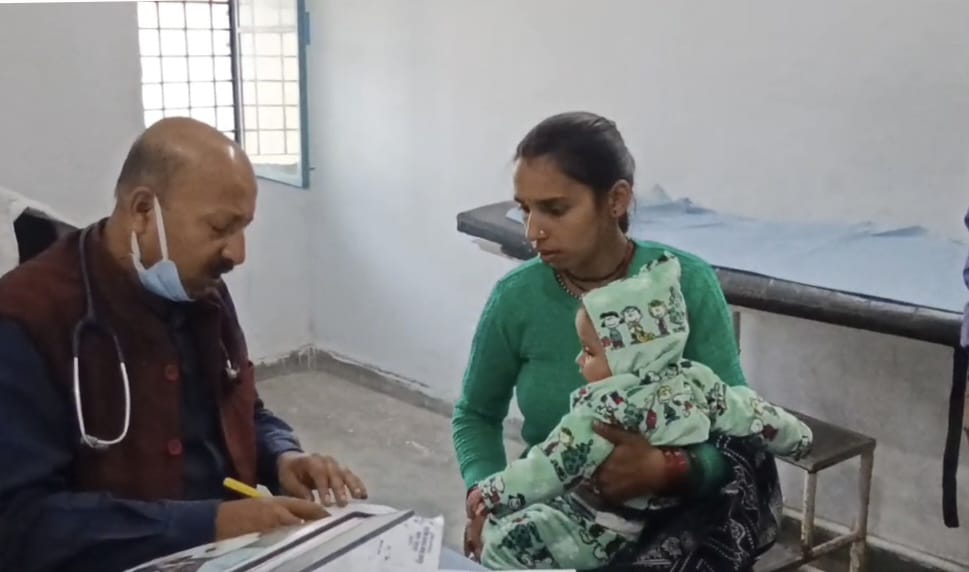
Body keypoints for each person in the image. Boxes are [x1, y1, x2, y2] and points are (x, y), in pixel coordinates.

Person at [0, 118, 367, 572]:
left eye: (244, 227)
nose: (238, 253)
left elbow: (242, 408)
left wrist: (282, 457)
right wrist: (208, 525)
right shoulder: (28, 319)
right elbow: (19, 523)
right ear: (142, 212)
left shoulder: (200, 290)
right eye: (220, 227)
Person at [452, 111, 785, 570]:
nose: (532, 232)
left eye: (555, 209)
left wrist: (669, 469)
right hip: (558, 523)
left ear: (616, 200)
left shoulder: (683, 285)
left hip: (677, 531)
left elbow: (740, 437)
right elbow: (476, 414)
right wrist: (487, 498)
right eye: (525, 209)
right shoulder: (517, 298)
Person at [466, 253, 812, 570]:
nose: (579, 360)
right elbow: (756, 415)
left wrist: (493, 492)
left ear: (624, 356)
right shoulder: (697, 382)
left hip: (595, 527)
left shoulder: (604, 407)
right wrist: (798, 438)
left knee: (503, 544)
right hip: (648, 522)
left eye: (588, 352)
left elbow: (548, 467)